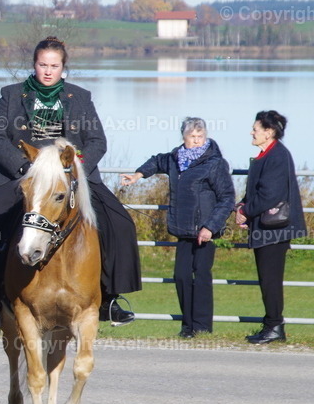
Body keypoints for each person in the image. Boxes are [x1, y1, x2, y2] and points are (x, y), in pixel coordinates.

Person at [0, 36, 141, 334]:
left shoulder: (80, 97)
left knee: (120, 223)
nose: (48, 71)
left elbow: (97, 142)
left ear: (63, 67)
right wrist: (28, 168)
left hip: (69, 176)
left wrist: (73, 170)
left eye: (54, 66)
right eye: (42, 65)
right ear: (34, 65)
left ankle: (109, 298)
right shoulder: (11, 96)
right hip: (23, 175)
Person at [120, 118, 235, 338]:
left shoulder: (215, 163)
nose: (197, 140)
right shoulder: (175, 159)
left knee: (201, 276)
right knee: (181, 276)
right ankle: (187, 325)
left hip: (205, 231)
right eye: (192, 136)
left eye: (200, 136)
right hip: (183, 229)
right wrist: (137, 175)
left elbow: (227, 197)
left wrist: (210, 227)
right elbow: (156, 161)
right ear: (184, 137)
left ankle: (201, 326)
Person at [235, 110, 307, 344]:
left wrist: (245, 211)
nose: (251, 132)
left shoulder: (277, 156)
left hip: (274, 231)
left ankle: (275, 326)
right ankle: (271, 325)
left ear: (269, 132)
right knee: (267, 280)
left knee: (270, 280)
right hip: (266, 229)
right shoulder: (268, 154)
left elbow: (269, 194)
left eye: (255, 129)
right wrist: (242, 205)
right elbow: (257, 190)